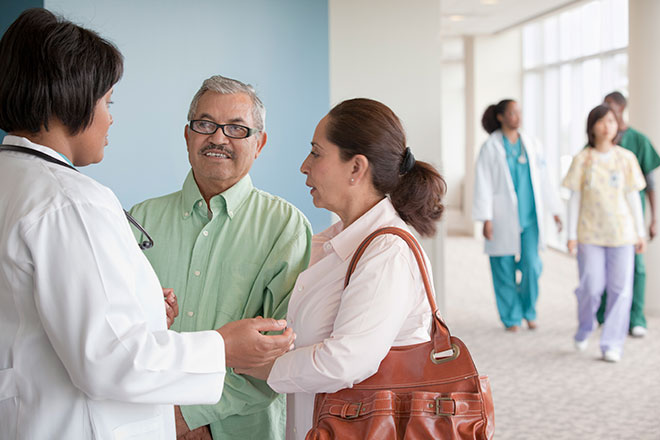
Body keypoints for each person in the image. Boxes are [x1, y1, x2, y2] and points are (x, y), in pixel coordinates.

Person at [0, 9, 293, 439]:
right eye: (108, 102)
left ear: (259, 142)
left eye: (236, 129)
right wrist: (223, 346)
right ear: (73, 99)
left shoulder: (18, 183)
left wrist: (147, 311)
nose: (111, 118)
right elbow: (110, 357)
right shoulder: (74, 203)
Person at [234, 98, 446, 439]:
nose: (304, 166)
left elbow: (347, 361)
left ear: (356, 168)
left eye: (316, 153)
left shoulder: (387, 253)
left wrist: (265, 367)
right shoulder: (333, 242)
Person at [129, 75, 312, 439]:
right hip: (143, 423)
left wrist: (191, 416)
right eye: (205, 124)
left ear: (259, 144)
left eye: (236, 129)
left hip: (241, 430)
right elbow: (118, 330)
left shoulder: (286, 227)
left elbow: (285, 353)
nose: (218, 137)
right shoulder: (140, 219)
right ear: (187, 136)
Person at [562, 104, 646, 362]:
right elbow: (574, 199)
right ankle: (585, 327)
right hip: (590, 235)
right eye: (602, 121)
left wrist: (640, 233)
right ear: (592, 126)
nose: (607, 125)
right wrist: (571, 234)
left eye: (611, 121)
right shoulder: (583, 159)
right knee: (592, 287)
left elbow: (633, 198)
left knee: (621, 290)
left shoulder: (626, 159)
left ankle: (612, 343)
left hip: (622, 234)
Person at [473, 99, 562, 332]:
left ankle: (528, 309)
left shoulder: (532, 143)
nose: (517, 116)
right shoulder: (490, 147)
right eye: (512, 113)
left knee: (532, 265)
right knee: (502, 267)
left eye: (519, 112)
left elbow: (545, 179)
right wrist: (486, 218)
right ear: (501, 117)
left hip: (530, 215)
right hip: (501, 215)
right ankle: (511, 317)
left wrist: (555, 211)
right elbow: (482, 184)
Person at [596, 91, 660, 337]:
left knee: (637, 268)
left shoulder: (638, 140)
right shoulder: (597, 139)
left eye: (610, 107)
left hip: (631, 218)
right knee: (602, 267)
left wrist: (654, 219)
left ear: (622, 108)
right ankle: (603, 315)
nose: (607, 113)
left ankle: (636, 318)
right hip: (601, 219)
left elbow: (650, 184)